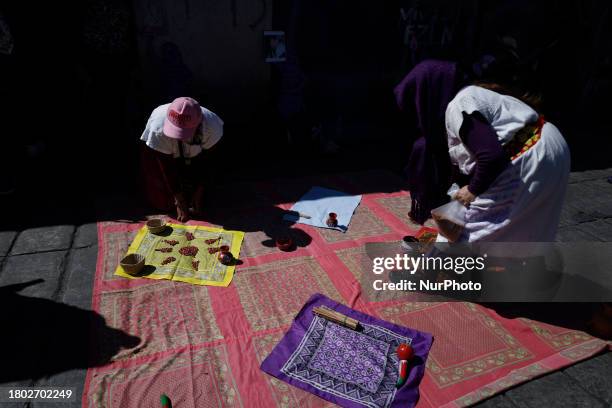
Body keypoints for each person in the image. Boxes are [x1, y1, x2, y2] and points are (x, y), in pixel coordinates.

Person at [396, 59, 570, 242]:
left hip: (529, 155)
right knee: (526, 228)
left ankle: (437, 269)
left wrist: (471, 190)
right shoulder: (477, 94)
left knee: (468, 239)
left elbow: (490, 157)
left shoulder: (459, 103)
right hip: (551, 146)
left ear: (428, 93)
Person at [140, 97, 223, 222]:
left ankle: (192, 192)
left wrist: (198, 193)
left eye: (186, 132)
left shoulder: (212, 126)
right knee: (163, 203)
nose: (181, 137)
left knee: (206, 202)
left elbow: (208, 162)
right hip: (163, 153)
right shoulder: (158, 129)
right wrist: (179, 200)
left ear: (199, 123)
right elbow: (166, 166)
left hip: (195, 158)